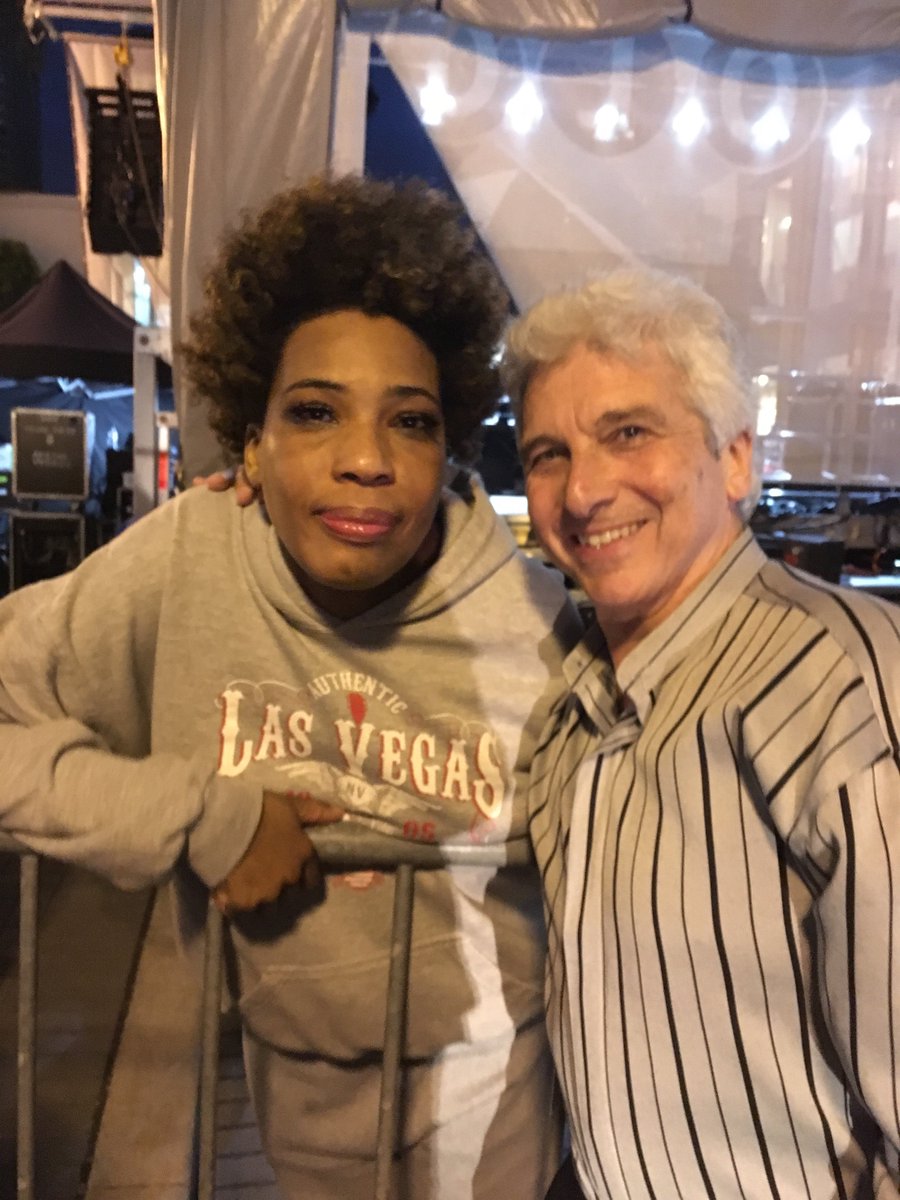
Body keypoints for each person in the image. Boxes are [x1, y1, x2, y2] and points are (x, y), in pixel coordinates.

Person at [0, 176, 583, 1199]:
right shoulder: (187, 562)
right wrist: (200, 818)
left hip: (501, 1103)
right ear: (253, 443)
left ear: (448, 451)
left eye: (409, 422)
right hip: (289, 1103)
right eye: (315, 413)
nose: (365, 460)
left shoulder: (541, 624)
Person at [502, 266, 900, 1199]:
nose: (583, 490)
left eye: (628, 432)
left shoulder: (835, 678)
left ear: (733, 459)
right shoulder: (579, 694)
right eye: (547, 452)